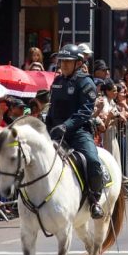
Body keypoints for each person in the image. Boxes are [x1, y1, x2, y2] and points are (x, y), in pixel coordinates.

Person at [45, 47, 104, 219]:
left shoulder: (85, 82)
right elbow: (52, 109)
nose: (63, 65)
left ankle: (95, 200)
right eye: (61, 61)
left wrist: (66, 126)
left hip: (78, 132)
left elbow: (85, 111)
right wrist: (47, 127)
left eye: (67, 62)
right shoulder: (56, 82)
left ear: (78, 63)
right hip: (56, 132)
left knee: (93, 161)